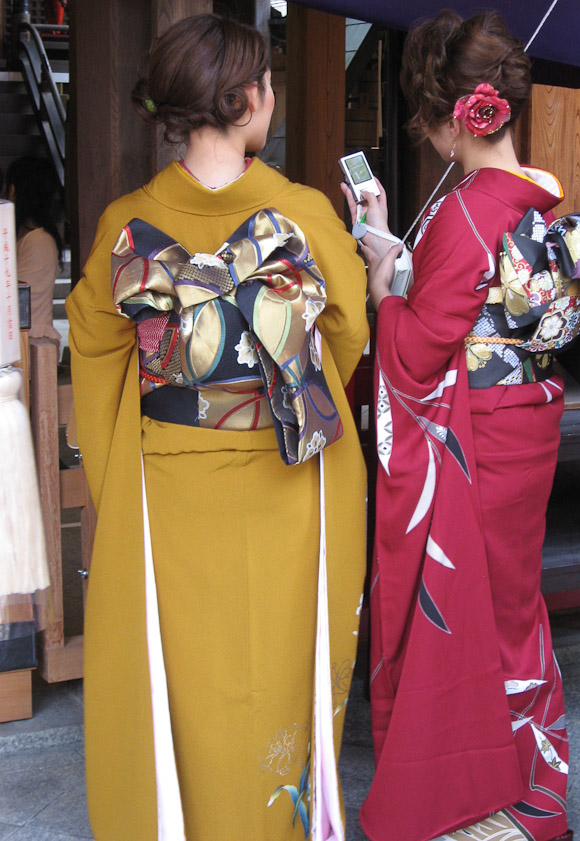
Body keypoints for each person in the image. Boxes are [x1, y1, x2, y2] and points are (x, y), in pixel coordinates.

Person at [66, 14, 368, 841]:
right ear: (248, 101)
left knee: (177, 677)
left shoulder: (128, 221)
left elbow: (92, 348)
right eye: (267, 85)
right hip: (282, 480)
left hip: (167, 477)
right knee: (273, 670)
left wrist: (114, 472)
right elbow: (345, 333)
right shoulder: (301, 214)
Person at [342, 10, 573, 841]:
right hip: (526, 426)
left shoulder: (466, 213)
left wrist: (380, 283)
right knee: (510, 606)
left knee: (471, 615)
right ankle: (530, 772)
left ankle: (493, 794)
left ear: (450, 118)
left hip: (476, 439)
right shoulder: (538, 194)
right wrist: (412, 276)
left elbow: (410, 356)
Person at [6, 156, 63, 352]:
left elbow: (16, 302)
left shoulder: (38, 240)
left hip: (30, 344)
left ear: (12, 190)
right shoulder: (28, 238)